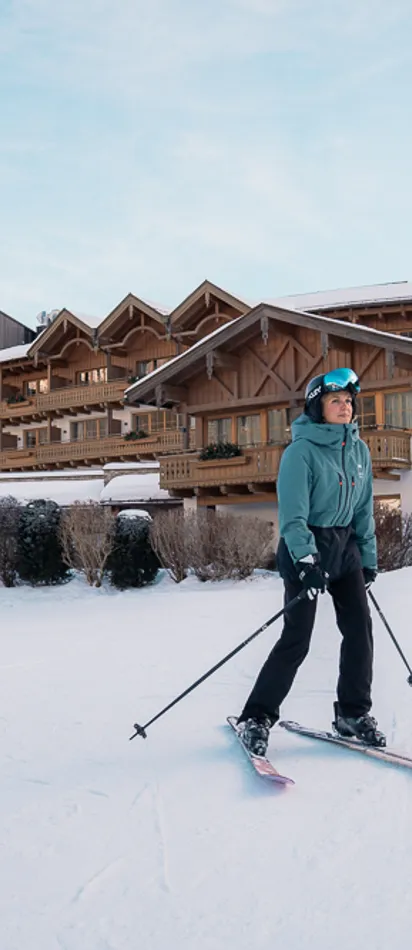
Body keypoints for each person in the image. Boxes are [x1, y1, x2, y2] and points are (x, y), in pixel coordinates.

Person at [237, 367, 385, 755]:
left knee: (359, 632)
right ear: (317, 407)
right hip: (308, 547)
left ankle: (352, 712)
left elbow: (364, 509)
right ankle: (256, 716)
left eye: (348, 401)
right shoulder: (300, 452)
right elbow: (292, 516)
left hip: (345, 548)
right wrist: (306, 559)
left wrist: (367, 558)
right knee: (296, 639)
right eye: (335, 400)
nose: (344, 407)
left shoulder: (359, 449)